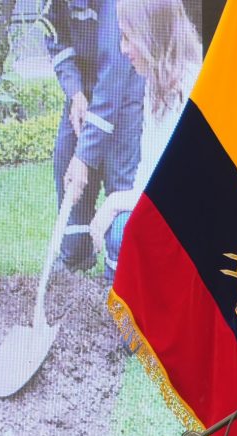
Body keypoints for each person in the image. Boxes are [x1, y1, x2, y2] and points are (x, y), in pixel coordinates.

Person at [87, 0, 201, 282]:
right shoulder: (155, 81)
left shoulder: (192, 88)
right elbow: (148, 169)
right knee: (124, 227)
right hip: (169, 214)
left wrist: (115, 201)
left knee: (123, 229)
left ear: (151, 34)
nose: (123, 49)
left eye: (128, 37)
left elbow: (180, 192)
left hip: (196, 227)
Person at [46, 0, 144, 272]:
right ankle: (74, 260)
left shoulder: (118, 7)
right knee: (65, 166)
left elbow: (113, 77)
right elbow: (56, 40)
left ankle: (118, 275)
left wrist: (84, 157)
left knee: (121, 184)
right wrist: (75, 91)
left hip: (125, 93)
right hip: (82, 91)